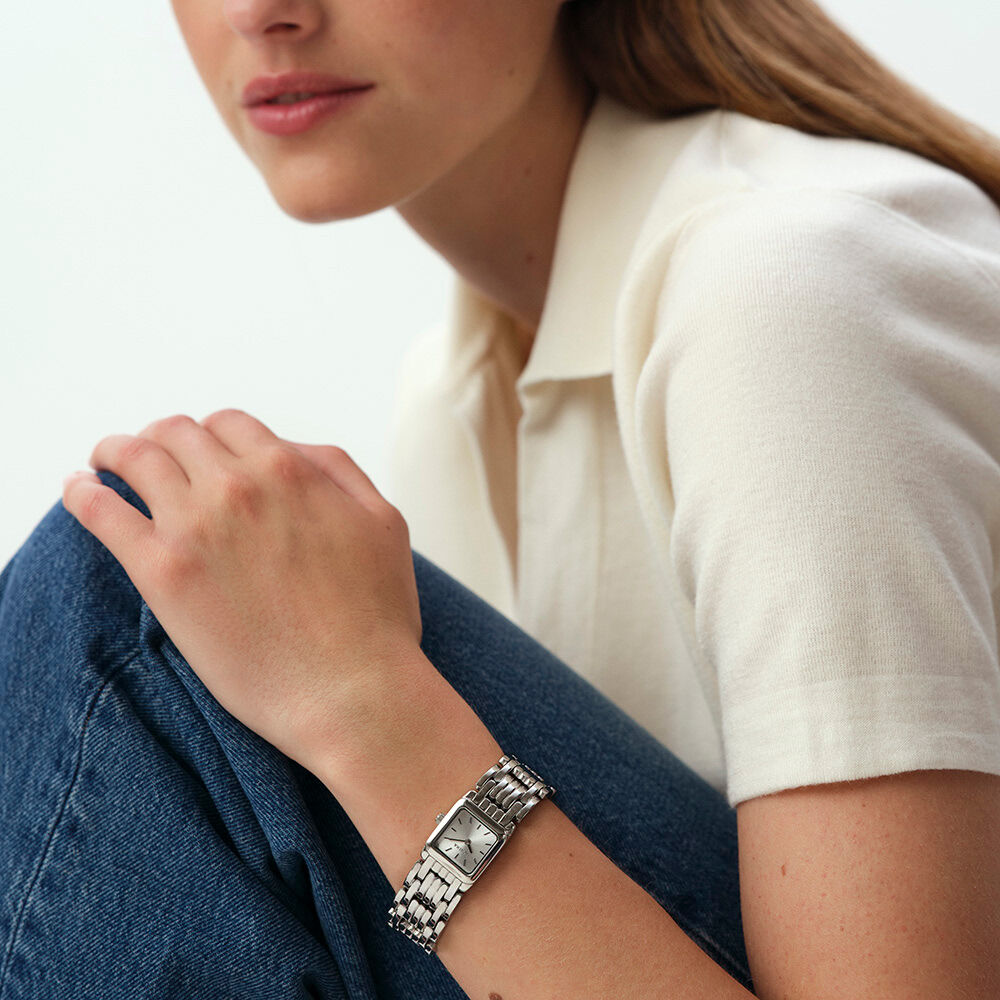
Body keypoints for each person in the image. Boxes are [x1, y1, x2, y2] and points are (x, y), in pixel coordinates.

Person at [3, 1, 1000, 998]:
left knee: (129, 593)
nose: (262, 11)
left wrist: (366, 707)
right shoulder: (450, 394)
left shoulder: (788, 294)